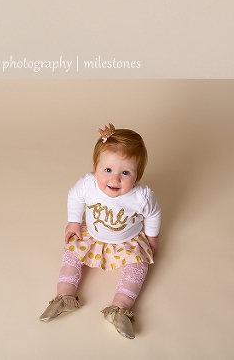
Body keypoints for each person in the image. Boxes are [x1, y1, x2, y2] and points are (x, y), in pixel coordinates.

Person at [39, 124, 161, 340]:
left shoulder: (141, 196)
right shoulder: (87, 185)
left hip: (127, 241)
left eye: (125, 173)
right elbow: (74, 197)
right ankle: (64, 296)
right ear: (95, 167)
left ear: (137, 175)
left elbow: (153, 214)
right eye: (108, 170)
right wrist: (74, 222)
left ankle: (120, 308)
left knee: (139, 266)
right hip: (92, 237)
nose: (115, 179)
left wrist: (152, 237)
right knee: (71, 252)